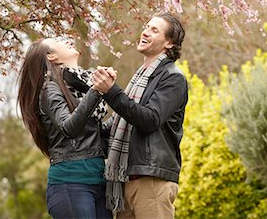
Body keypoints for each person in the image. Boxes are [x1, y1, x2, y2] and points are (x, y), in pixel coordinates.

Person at [92, 12, 188, 219]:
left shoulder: (173, 78)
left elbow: (149, 119)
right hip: (125, 178)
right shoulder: (140, 77)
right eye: (146, 27)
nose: (145, 32)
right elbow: (121, 121)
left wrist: (111, 92)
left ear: (169, 43)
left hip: (151, 180)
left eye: (155, 30)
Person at [17, 37, 114, 219]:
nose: (67, 40)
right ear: (52, 56)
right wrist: (95, 91)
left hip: (99, 180)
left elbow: (96, 133)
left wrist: (124, 112)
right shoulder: (49, 90)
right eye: (57, 41)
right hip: (70, 184)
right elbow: (68, 127)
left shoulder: (80, 87)